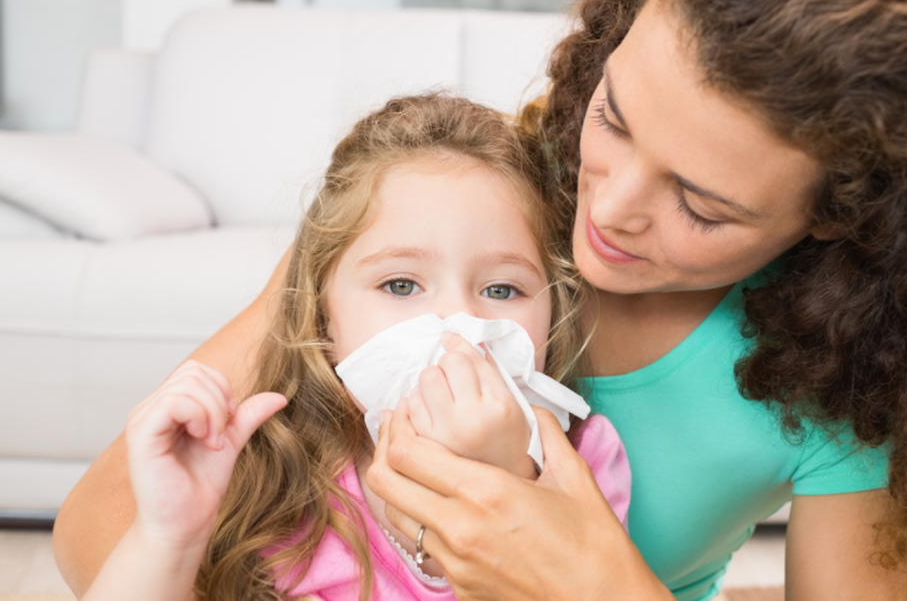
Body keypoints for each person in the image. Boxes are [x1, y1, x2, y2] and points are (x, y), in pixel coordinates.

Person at [55, 0, 907, 600]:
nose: (610, 209)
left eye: (702, 204)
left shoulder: (851, 393)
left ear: (849, 221)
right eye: (615, 117)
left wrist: (590, 579)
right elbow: (98, 535)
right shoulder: (449, 204)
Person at [74, 94, 631, 601]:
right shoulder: (271, 467)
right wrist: (168, 536)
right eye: (401, 285)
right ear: (323, 314)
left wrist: (510, 480)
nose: (457, 327)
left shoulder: (583, 467)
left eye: (501, 289)